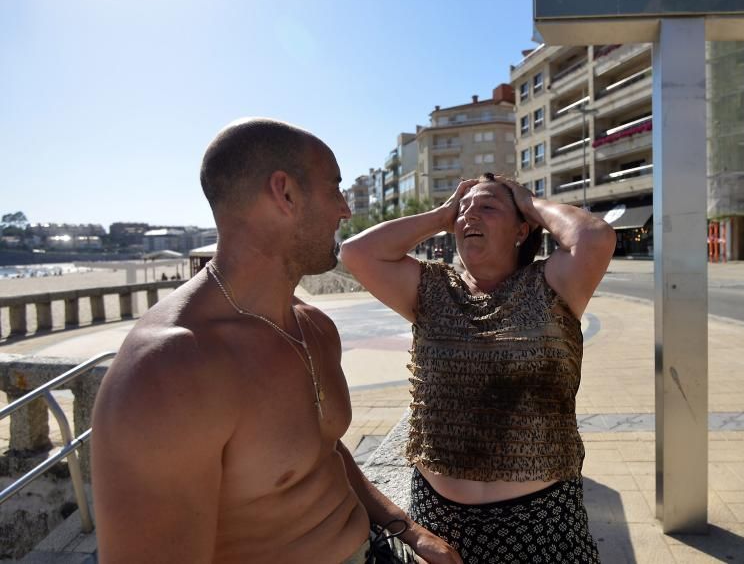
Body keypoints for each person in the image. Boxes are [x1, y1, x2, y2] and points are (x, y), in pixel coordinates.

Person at [91, 118, 461, 564]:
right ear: (284, 194)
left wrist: (409, 529)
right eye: (334, 189)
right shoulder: (169, 371)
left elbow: (322, 452)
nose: (345, 209)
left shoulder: (313, 327)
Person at [340, 173, 616, 563]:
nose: (469, 215)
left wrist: (529, 201)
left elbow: (595, 237)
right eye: (463, 209)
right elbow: (356, 252)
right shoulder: (431, 289)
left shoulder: (551, 283)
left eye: (487, 207)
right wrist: (441, 214)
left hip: (541, 524)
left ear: (522, 228)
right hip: (439, 525)